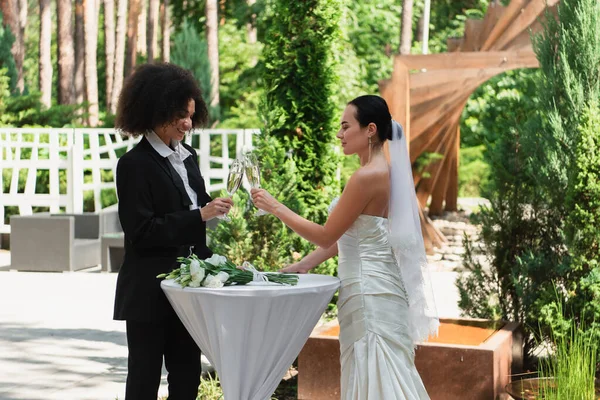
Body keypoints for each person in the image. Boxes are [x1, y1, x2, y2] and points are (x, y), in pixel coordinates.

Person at [251, 95, 439, 399]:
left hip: (368, 296)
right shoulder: (384, 171)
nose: (339, 134)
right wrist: (306, 264)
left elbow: (327, 235)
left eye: (345, 126)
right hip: (376, 289)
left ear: (370, 130)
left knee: (376, 378)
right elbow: (353, 237)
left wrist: (276, 207)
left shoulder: (366, 177)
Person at [113, 62, 234, 400]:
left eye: (192, 115)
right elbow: (142, 230)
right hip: (149, 292)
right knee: (144, 378)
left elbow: (195, 205)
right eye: (180, 114)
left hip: (188, 290)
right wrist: (199, 216)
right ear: (154, 110)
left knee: (187, 376)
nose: (187, 123)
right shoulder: (133, 165)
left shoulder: (188, 157)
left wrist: (216, 209)